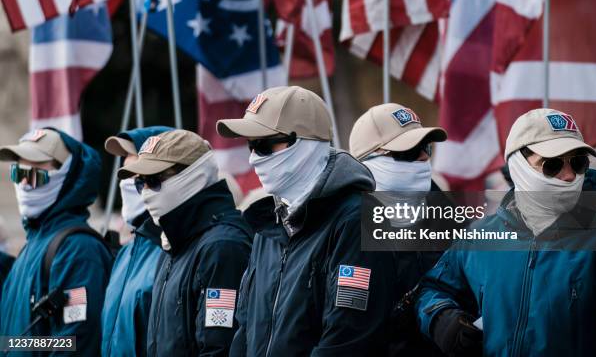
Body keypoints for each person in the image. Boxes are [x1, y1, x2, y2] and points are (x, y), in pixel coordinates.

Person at [217, 86, 398, 356]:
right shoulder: (267, 227)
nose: (254, 157)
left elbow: (348, 337)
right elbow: (244, 328)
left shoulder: (356, 220)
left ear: (306, 142)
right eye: (250, 145)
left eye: (265, 144)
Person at [415, 109, 596, 356]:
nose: (570, 175)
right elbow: (433, 289)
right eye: (552, 165)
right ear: (518, 166)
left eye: (578, 162)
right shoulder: (482, 237)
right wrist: (441, 319)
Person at [116, 129, 252, 357]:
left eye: (154, 180)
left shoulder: (222, 247)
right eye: (140, 183)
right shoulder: (171, 246)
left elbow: (219, 348)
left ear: (192, 175)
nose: (146, 192)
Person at [0, 128, 113, 355]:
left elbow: (73, 342)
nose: (24, 184)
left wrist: (17, 345)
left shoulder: (78, 249)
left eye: (35, 175)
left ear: (67, 175)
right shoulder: (33, 245)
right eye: (17, 173)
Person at [349, 103, 449, 356]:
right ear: (367, 163)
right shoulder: (341, 232)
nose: (424, 158)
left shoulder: (451, 222)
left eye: (425, 148)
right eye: (408, 152)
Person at [100, 126, 172, 356]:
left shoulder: (171, 250)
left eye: (135, 174)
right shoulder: (126, 252)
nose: (126, 182)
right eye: (124, 171)